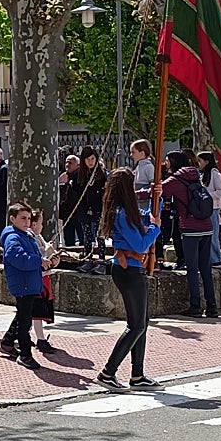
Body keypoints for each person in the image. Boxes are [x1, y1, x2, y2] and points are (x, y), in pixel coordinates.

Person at [96, 167, 164, 391]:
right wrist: (155, 228)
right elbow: (141, 244)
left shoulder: (121, 210)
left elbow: (147, 216)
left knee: (141, 324)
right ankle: (108, 371)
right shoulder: (122, 214)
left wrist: (158, 199)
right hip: (129, 271)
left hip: (130, 269)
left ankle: (138, 374)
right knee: (135, 326)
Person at [153, 150, 218, 317]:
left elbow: (152, 193)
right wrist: (175, 207)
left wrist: (131, 194)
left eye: (167, 160)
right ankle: (212, 306)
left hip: (190, 228)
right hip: (206, 225)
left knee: (192, 268)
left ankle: (195, 306)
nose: (165, 164)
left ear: (173, 162)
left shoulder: (174, 180)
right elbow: (189, 199)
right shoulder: (195, 175)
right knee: (206, 268)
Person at [0, 202, 50, 370]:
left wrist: (44, 262)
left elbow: (31, 257)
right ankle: (25, 354)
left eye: (28, 218)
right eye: (23, 218)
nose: (27, 222)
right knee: (24, 321)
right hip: (23, 284)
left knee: (22, 315)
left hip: (29, 282)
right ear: (12, 219)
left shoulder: (25, 235)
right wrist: (38, 261)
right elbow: (19, 259)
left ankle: (7, 342)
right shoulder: (14, 238)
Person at [29, 210, 58, 354]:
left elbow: (47, 255)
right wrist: (48, 250)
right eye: (41, 223)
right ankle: (40, 339)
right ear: (34, 224)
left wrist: (54, 256)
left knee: (36, 309)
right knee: (37, 310)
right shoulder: (31, 238)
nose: (42, 226)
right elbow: (41, 254)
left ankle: (33, 336)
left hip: (44, 276)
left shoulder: (38, 236)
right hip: (37, 279)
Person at [74, 146, 108, 271]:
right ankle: (88, 259)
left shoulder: (101, 175)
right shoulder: (79, 176)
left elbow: (102, 194)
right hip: (83, 210)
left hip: (98, 209)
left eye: (92, 158)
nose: (90, 162)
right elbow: (78, 193)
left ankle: (102, 261)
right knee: (87, 236)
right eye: (87, 159)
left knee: (100, 236)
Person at [196, 151, 221, 268]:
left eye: (200, 161)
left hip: (213, 208)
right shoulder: (202, 174)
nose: (198, 164)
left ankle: (217, 260)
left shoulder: (214, 173)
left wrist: (206, 195)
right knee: (205, 235)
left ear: (207, 162)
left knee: (213, 235)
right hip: (204, 208)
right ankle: (208, 259)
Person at [58, 154, 82, 247]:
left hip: (78, 212)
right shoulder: (63, 176)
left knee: (82, 238)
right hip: (66, 213)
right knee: (68, 240)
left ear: (78, 165)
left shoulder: (80, 177)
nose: (67, 164)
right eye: (66, 162)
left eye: (70, 163)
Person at [130, 139, 155, 213]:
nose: (131, 155)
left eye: (133, 152)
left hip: (145, 203)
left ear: (142, 153)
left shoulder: (149, 167)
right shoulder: (139, 166)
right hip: (138, 201)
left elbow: (152, 185)